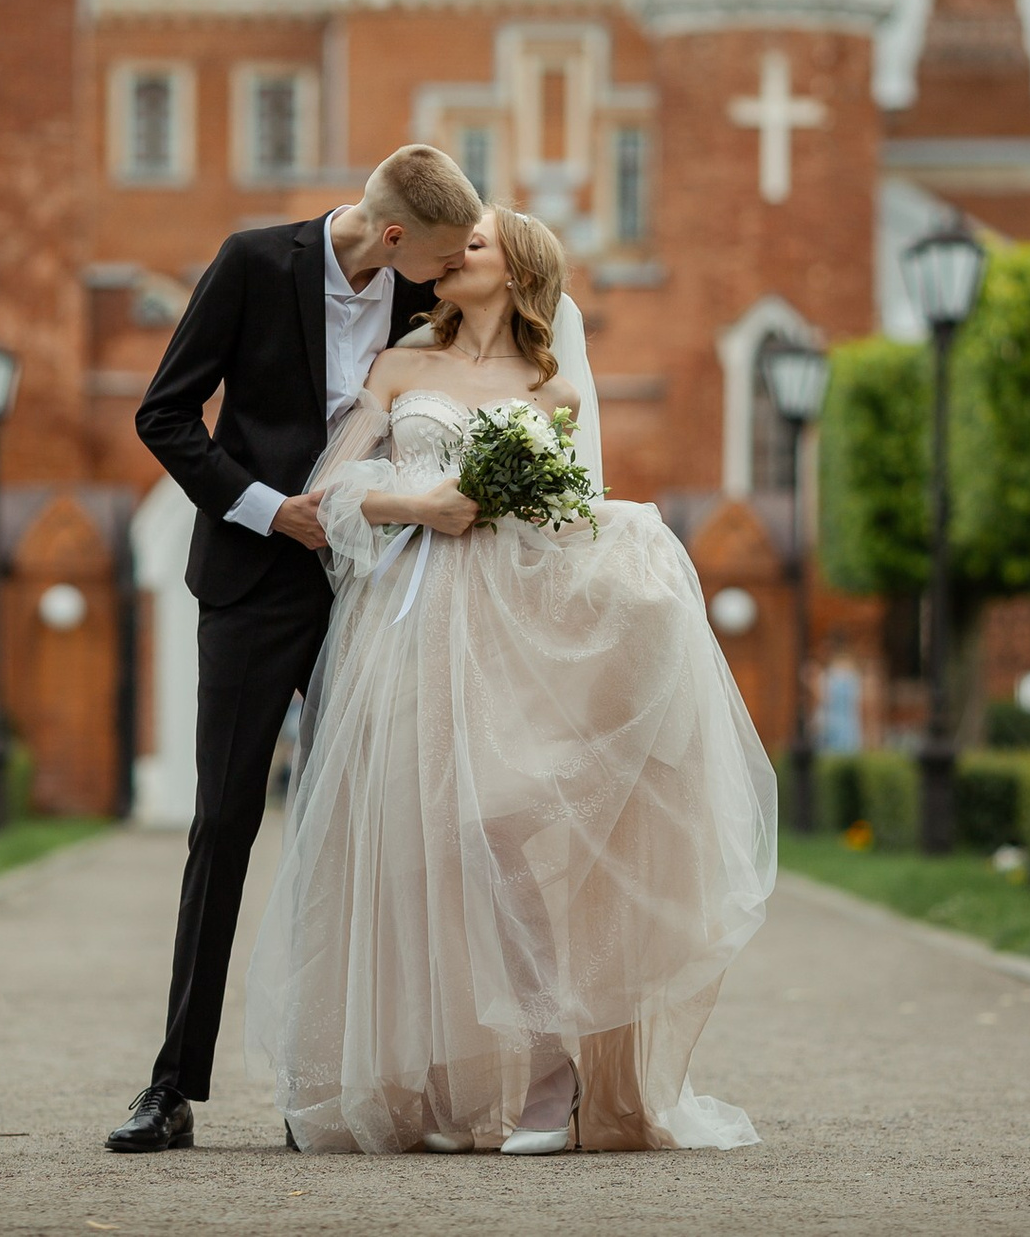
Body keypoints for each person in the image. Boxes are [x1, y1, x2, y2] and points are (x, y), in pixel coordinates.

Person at [243, 208, 777, 1155]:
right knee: (417, 846)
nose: (450, 258)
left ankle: (546, 1077)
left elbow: (570, 511)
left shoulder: (552, 389)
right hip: (404, 619)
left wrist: (626, 557)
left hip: (503, 625)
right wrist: (427, 506)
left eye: (472, 246)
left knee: (497, 827)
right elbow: (334, 495)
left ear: (516, 271)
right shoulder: (399, 367)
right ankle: (442, 1091)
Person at [109, 145, 483, 1154]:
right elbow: (163, 414)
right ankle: (171, 1086)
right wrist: (273, 514)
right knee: (223, 823)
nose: (450, 278)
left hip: (380, 589)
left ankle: (322, 1087)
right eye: (442, 259)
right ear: (394, 236)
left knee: (358, 833)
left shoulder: (423, 302)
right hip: (253, 582)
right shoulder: (251, 262)